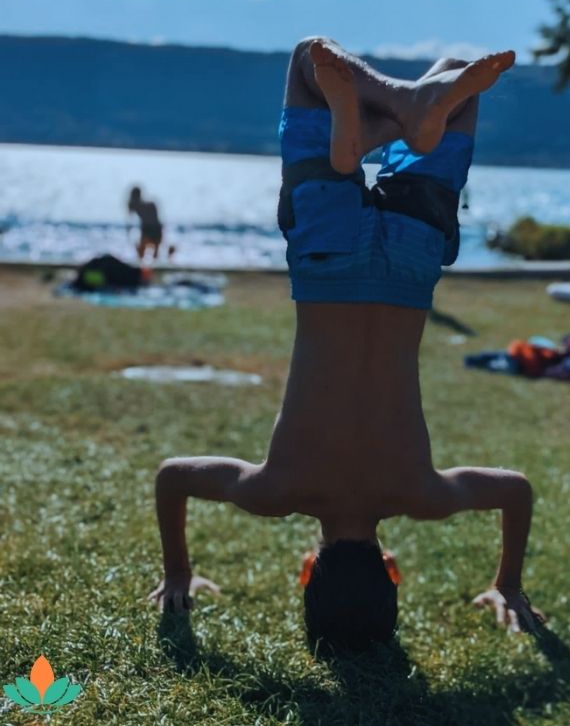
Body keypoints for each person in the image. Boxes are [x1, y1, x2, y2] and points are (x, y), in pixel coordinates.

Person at [149, 37, 544, 651]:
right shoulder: (274, 489)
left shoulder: (423, 494)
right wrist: (178, 573)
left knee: (456, 85)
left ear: (392, 570)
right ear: (308, 571)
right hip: (325, 262)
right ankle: (385, 122)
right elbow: (173, 477)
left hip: (411, 266)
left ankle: (407, 113)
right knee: (309, 62)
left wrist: (509, 584)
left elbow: (515, 490)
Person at [127, 186, 166, 261]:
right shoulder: (149, 204)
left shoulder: (138, 205)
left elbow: (130, 214)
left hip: (150, 228)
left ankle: (145, 267)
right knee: (153, 254)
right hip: (155, 228)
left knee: (144, 252)